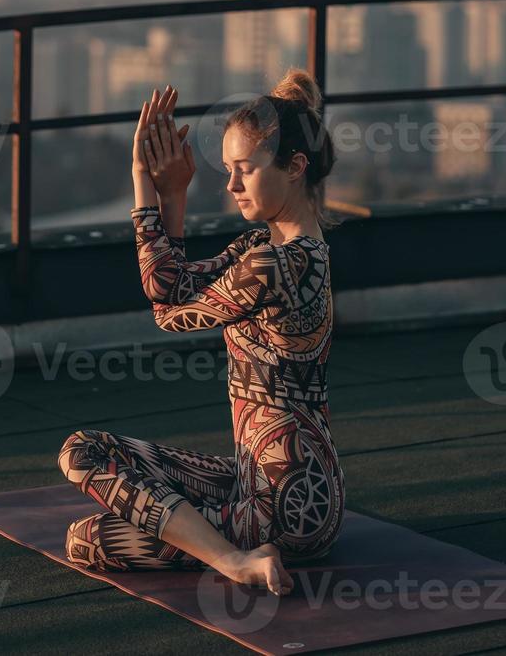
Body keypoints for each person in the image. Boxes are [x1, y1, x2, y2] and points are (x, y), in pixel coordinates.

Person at [57, 68, 344, 595]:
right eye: (228, 170)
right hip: (267, 484)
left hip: (281, 508)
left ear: (295, 166)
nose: (232, 185)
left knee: (86, 527)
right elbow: (171, 284)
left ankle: (234, 561)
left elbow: (166, 312)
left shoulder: (271, 267)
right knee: (90, 455)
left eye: (245, 170)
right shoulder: (273, 251)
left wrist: (144, 186)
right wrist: (172, 195)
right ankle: (235, 547)